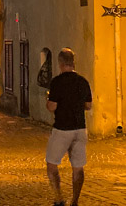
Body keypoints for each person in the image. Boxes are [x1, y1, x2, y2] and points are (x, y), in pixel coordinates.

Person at [45, 47, 93, 206]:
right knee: (78, 167)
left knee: (52, 164)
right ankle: (75, 201)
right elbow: (88, 105)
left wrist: (49, 100)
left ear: (60, 63)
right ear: (73, 62)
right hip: (80, 128)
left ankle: (58, 198)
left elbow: (52, 107)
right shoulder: (83, 81)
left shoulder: (57, 82)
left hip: (62, 129)